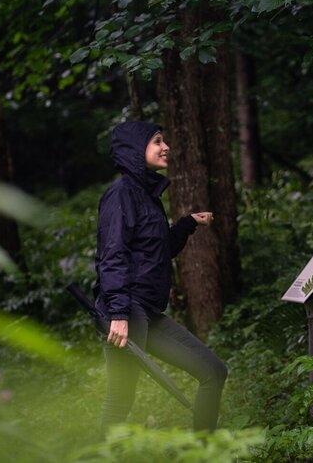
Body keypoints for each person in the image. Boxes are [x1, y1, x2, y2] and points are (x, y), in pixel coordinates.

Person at [94, 120, 228, 433]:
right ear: (135, 150)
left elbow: (156, 250)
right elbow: (111, 255)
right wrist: (118, 313)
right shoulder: (121, 195)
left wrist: (187, 224)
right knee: (120, 399)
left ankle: (205, 454)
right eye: (157, 141)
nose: (165, 147)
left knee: (213, 371)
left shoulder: (147, 196)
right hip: (127, 310)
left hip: (147, 312)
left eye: (163, 141)